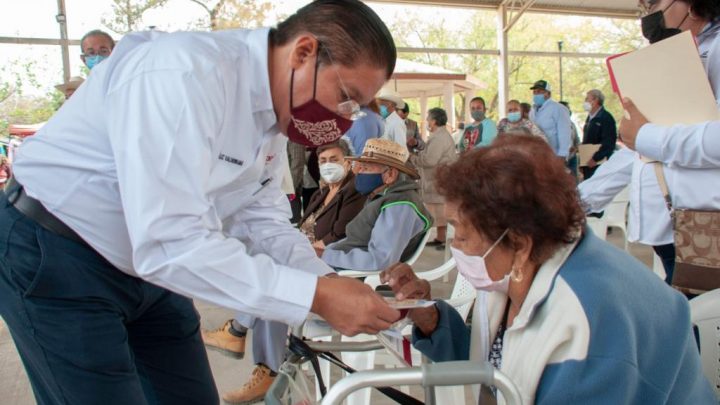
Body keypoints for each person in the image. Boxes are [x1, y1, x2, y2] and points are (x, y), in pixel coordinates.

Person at [0, 2, 402, 404]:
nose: (346, 117)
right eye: (346, 96)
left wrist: (324, 282)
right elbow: (168, 241)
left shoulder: (275, 111)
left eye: (357, 108)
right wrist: (313, 296)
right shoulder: (185, 76)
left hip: (152, 270)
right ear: (303, 53)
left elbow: (260, 217)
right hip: (58, 251)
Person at [381, 135, 715, 404]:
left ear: (518, 241)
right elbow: (502, 362)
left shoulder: (588, 322)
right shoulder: (530, 266)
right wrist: (433, 321)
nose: (456, 246)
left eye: (463, 234)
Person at [203, 139, 367, 404]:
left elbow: (341, 234)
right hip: (305, 250)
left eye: (334, 160)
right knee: (272, 266)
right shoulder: (322, 192)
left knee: (277, 275)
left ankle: (245, 340)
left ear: (348, 162)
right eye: (323, 161)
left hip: (328, 257)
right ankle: (258, 358)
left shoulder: (354, 193)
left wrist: (317, 254)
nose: (327, 166)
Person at [581, 0, 720, 283]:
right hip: (676, 231)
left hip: (705, 232)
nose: (648, 14)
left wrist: (645, 135)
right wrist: (578, 201)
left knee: (704, 319)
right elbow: (639, 151)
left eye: (654, 3)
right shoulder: (680, 56)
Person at [320, 138, 432, 270]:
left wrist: (326, 256)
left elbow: (380, 260)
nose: (358, 172)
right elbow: (356, 240)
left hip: (351, 274)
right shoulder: (382, 195)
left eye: (365, 168)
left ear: (390, 174)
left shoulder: (399, 206)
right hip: (341, 264)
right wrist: (325, 252)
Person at [410, 107, 456, 249]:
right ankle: (440, 238)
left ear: (434, 121)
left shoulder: (439, 138)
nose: (427, 122)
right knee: (437, 211)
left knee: (441, 211)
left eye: (429, 119)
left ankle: (446, 239)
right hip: (436, 180)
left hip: (438, 179)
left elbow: (430, 160)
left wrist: (412, 157)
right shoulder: (438, 136)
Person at [529, 80, 572, 161]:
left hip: (554, 155)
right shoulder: (532, 110)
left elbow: (564, 133)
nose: (536, 94)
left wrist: (562, 155)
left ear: (548, 93)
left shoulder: (558, 109)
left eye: (539, 92)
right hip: (537, 156)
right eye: (534, 92)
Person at [581, 89, 617, 180]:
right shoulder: (589, 118)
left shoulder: (606, 118)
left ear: (595, 100)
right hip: (587, 163)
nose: (585, 101)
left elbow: (608, 143)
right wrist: (582, 162)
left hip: (598, 164)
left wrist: (596, 158)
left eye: (587, 99)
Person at [559, 101, 581, 181]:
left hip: (572, 158)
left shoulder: (571, 124)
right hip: (559, 159)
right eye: (567, 109)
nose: (569, 111)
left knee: (573, 181)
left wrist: (575, 148)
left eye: (569, 109)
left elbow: (577, 140)